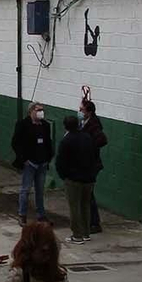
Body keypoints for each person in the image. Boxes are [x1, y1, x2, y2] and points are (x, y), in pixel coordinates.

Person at [55, 115, 101, 243]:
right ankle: (86, 233)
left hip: (73, 179)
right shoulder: (87, 137)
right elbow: (94, 156)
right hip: (88, 178)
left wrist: (64, 175)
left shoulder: (66, 140)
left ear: (65, 126)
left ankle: (77, 235)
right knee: (85, 205)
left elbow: (60, 162)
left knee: (74, 207)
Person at [11, 103, 54, 224]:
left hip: (42, 162)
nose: (41, 112)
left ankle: (41, 214)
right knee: (26, 189)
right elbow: (15, 142)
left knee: (40, 190)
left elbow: (48, 142)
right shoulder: (23, 124)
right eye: (38, 110)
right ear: (31, 111)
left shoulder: (45, 125)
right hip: (30, 163)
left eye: (42, 110)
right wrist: (24, 159)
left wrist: (49, 157)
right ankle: (22, 214)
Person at [79, 98, 107, 234]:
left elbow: (102, 139)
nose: (80, 112)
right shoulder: (85, 123)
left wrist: (88, 148)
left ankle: (94, 222)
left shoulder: (94, 125)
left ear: (88, 112)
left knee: (88, 193)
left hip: (91, 164)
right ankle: (91, 221)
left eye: (82, 110)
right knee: (87, 193)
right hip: (88, 163)